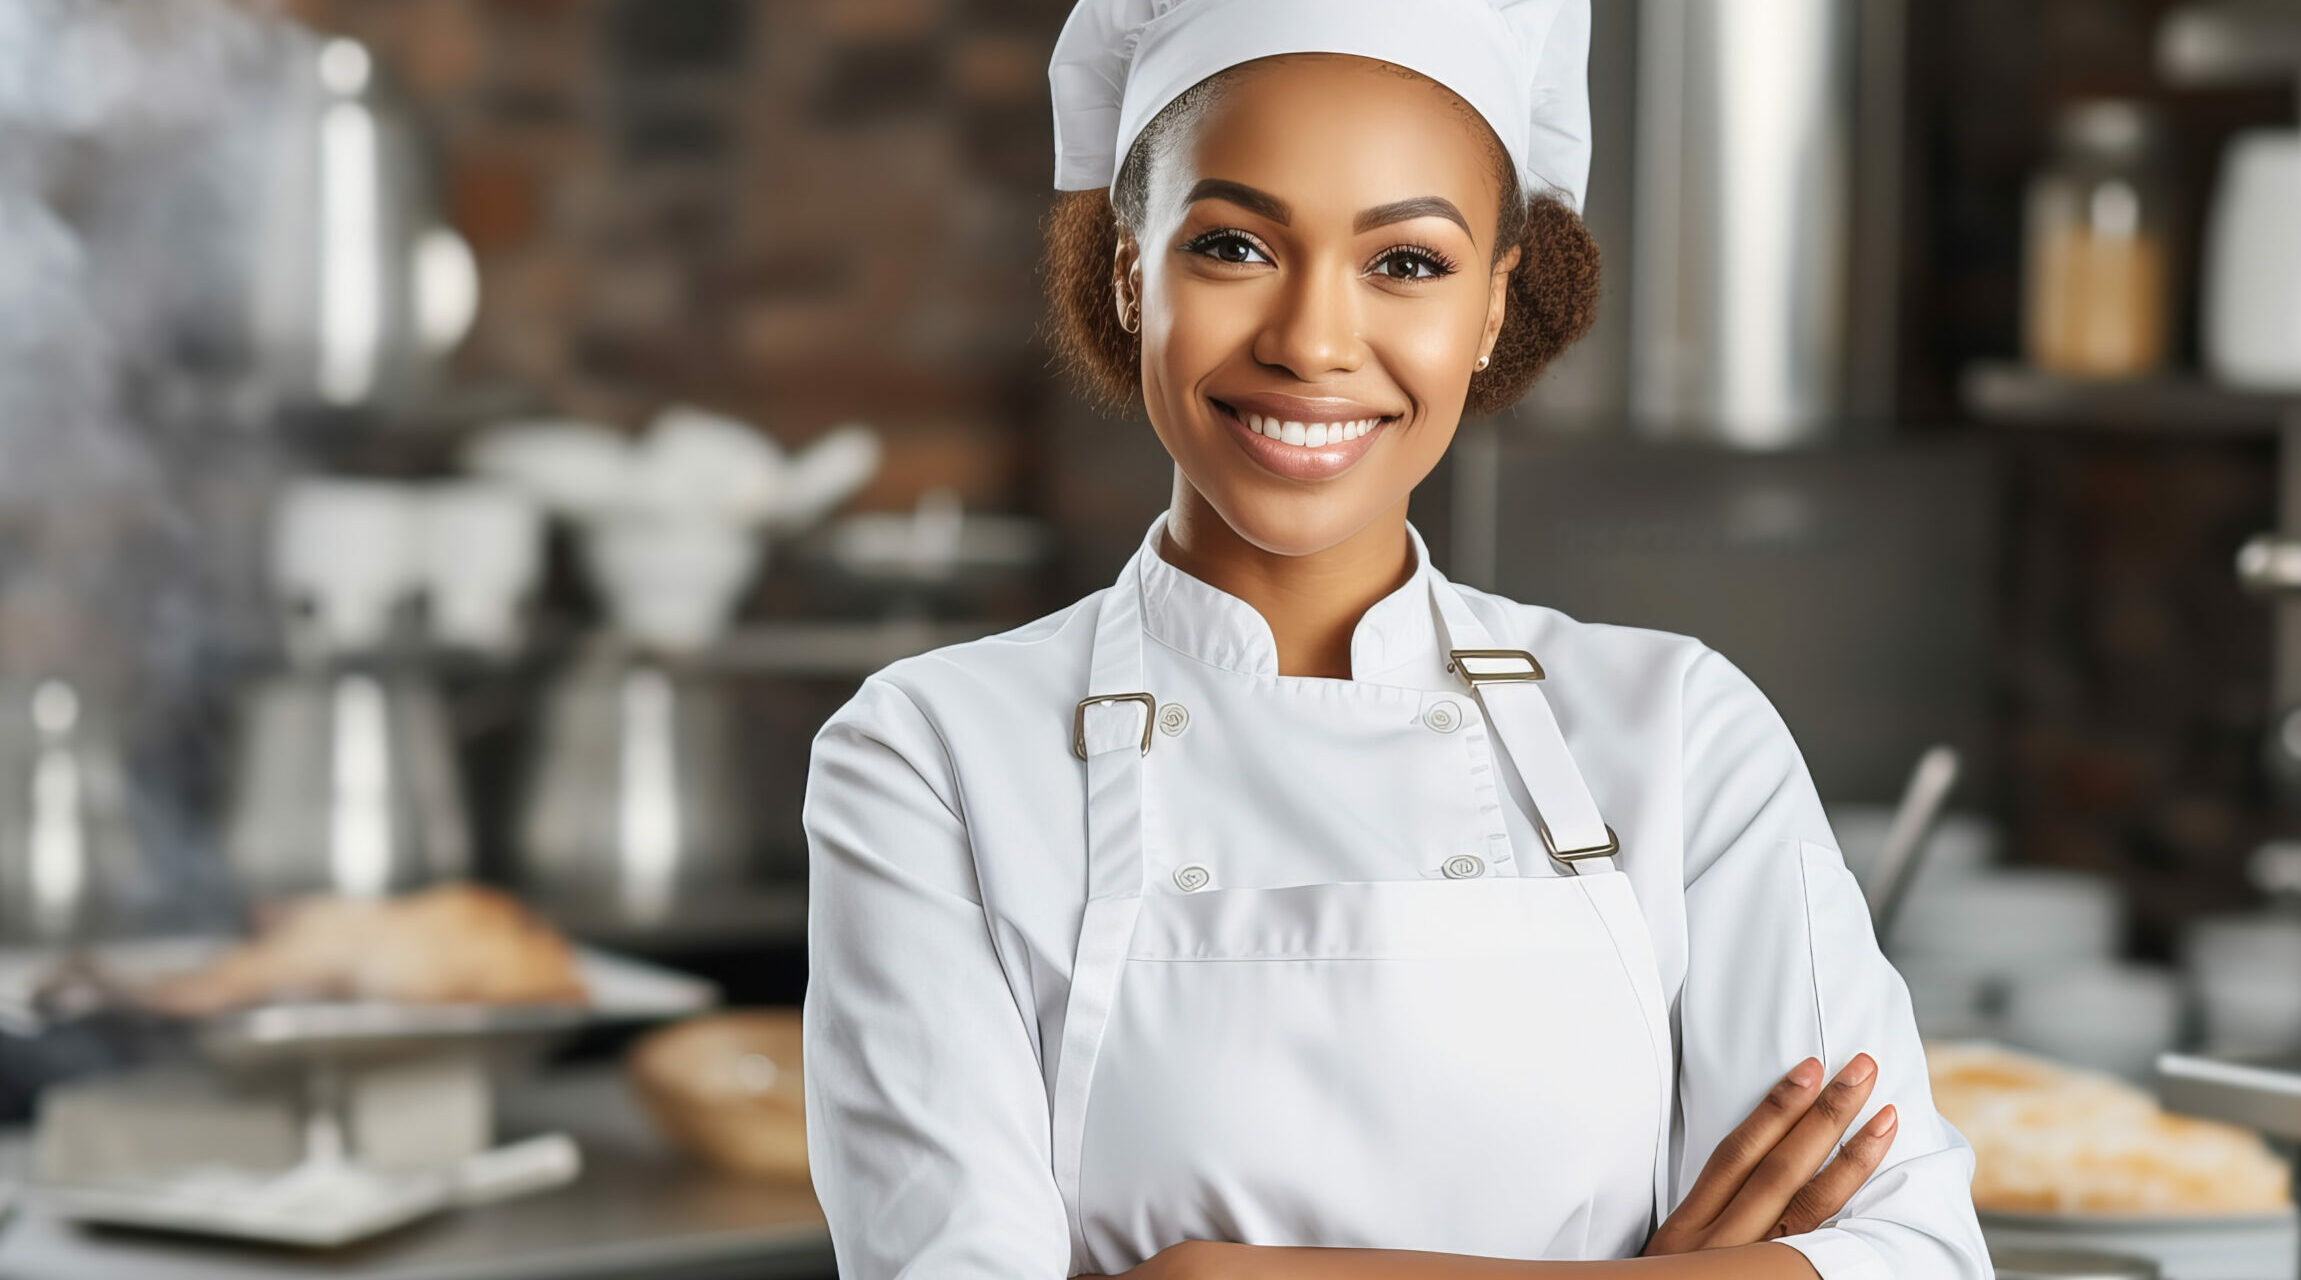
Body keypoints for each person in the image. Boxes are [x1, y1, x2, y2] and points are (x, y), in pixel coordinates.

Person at [801, 1, 1995, 1276]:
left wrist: (1227, 1275)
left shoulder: (1678, 729)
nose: (1312, 340)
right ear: (1126, 271)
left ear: (1493, 306)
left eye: (1407, 262)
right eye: (1233, 245)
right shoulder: (930, 752)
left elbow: (1916, 1251)